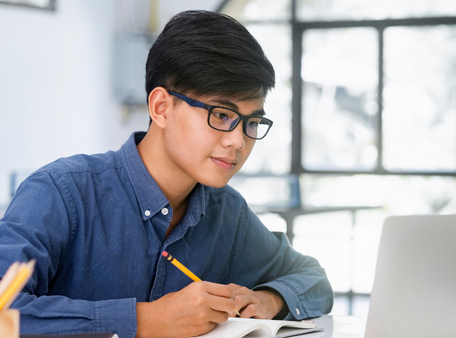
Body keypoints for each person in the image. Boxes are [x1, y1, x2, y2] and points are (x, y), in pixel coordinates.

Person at [0, 10, 333, 338]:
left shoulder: (227, 214)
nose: (239, 141)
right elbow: (4, 312)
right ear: (161, 108)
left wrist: (267, 299)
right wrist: (146, 320)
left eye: (252, 122)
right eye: (220, 114)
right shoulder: (60, 193)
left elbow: (311, 278)